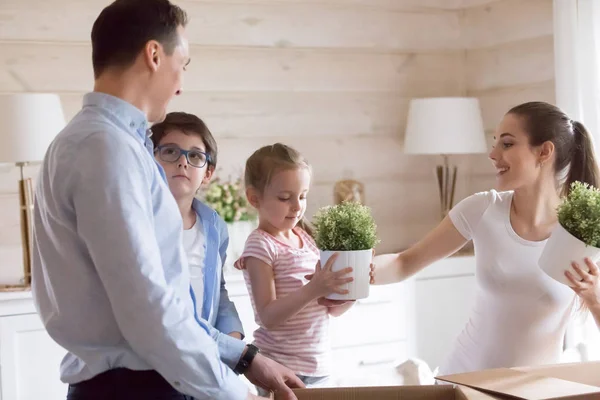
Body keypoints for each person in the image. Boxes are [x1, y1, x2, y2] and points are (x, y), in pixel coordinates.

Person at [30, 1, 303, 399]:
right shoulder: (106, 148)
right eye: (184, 64)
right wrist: (230, 392)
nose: (180, 85)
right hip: (138, 387)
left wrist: (245, 359)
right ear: (154, 55)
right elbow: (147, 307)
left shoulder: (90, 142)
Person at [372, 101, 600, 376]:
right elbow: (403, 263)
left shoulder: (582, 232)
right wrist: (358, 271)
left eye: (506, 144)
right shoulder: (483, 209)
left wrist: (593, 298)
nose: (492, 154)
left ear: (544, 151)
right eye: (495, 143)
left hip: (537, 390)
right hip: (464, 382)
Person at [234, 143, 356, 397]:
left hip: (318, 366)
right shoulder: (260, 244)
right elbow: (268, 316)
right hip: (282, 368)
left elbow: (330, 309)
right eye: (284, 197)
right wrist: (314, 287)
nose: (297, 206)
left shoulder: (306, 238)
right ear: (254, 198)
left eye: (302, 196)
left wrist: (351, 293)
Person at [151, 111, 244, 340]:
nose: (183, 162)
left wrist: (234, 339)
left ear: (207, 174)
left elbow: (218, 292)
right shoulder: (140, 222)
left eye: (195, 156)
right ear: (149, 160)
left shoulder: (215, 227)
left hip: (205, 351)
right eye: (170, 152)